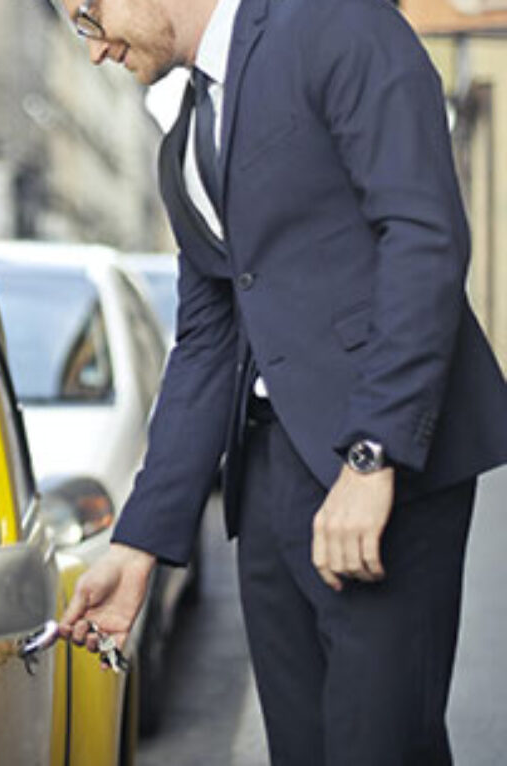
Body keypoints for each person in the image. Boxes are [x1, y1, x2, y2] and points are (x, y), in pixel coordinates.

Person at [53, 0, 507, 762]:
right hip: (266, 483)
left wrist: (373, 454)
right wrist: (139, 543)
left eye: (87, 16)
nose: (94, 49)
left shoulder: (338, 23)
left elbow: (424, 238)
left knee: (381, 749)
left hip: (381, 476)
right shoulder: (185, 140)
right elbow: (205, 342)